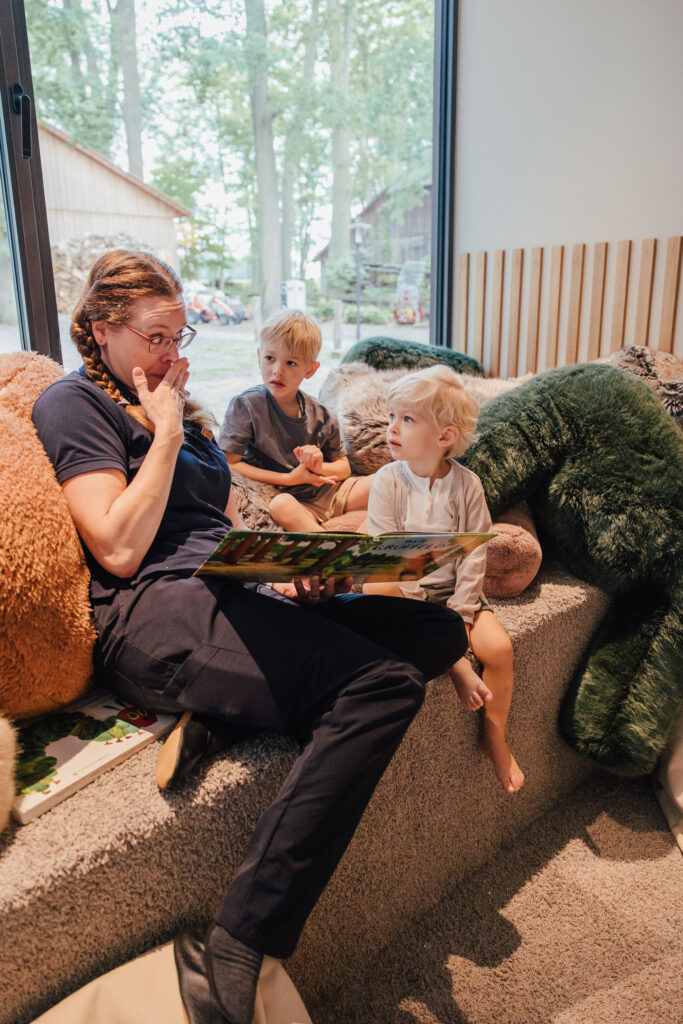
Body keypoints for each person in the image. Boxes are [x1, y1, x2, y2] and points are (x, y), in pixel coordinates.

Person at [31, 250, 469, 1024]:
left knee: (432, 630)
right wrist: (163, 434)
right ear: (101, 331)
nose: (176, 354)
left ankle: (224, 711)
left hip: (231, 584)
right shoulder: (75, 404)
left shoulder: (181, 409)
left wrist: (291, 575)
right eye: (157, 337)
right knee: (380, 684)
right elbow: (119, 549)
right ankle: (239, 940)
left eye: (181, 333)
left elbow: (221, 526)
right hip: (151, 612)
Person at [363, 364, 525, 795]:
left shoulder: (467, 486)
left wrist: (462, 613)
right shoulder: (386, 481)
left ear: (445, 437)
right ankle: (453, 663)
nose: (392, 428)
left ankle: (496, 736)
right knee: (373, 585)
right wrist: (433, 623)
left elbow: (475, 554)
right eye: (392, 416)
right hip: (404, 592)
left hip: (456, 594)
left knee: (500, 650)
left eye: (407, 419)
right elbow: (386, 555)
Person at [219, 309, 373, 531]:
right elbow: (229, 463)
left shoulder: (322, 414)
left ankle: (368, 537)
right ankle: (329, 548)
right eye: (270, 358)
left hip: (333, 493)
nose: (277, 371)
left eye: (291, 363)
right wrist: (291, 478)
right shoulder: (246, 406)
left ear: (310, 369)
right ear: (259, 356)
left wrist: (319, 468)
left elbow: (344, 468)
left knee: (392, 478)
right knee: (280, 506)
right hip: (291, 500)